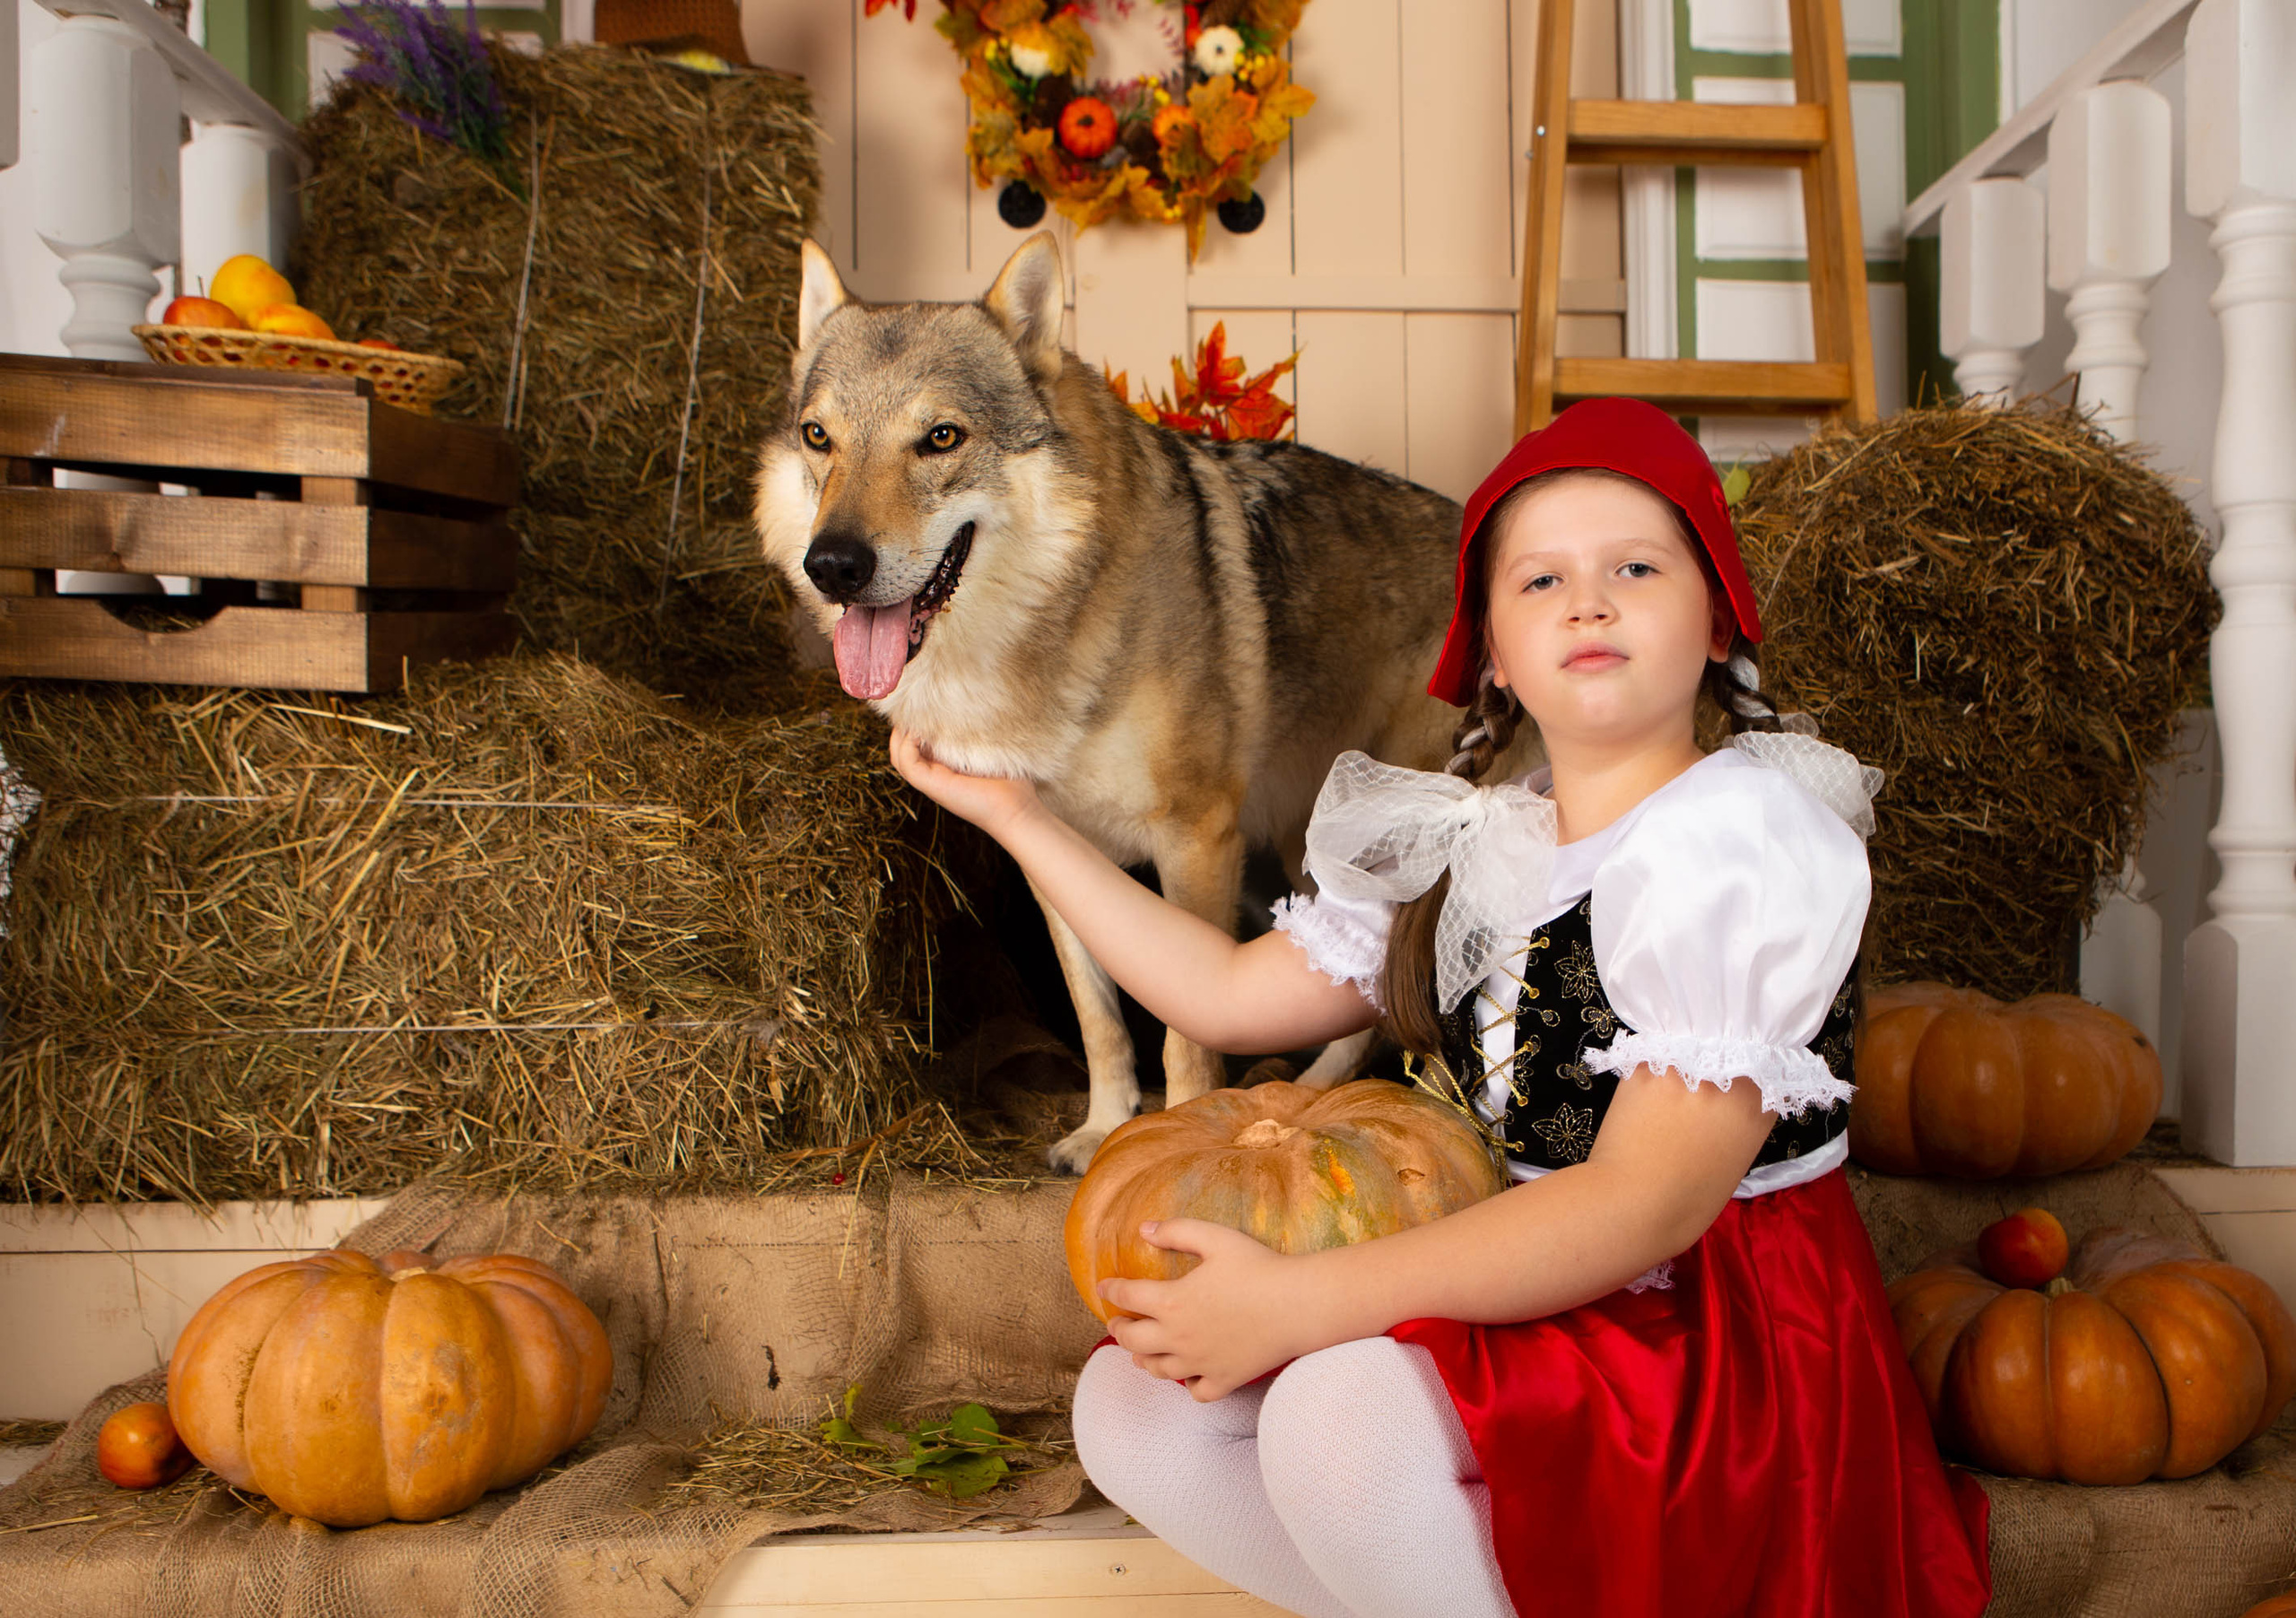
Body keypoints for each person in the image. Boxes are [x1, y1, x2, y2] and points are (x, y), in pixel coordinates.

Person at [889, 397, 1993, 1618]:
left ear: (1718, 619)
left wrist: (1297, 1304)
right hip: (1522, 1273)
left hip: (1707, 1332)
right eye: (1541, 580)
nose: (1589, 600)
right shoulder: (1480, 836)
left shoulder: (1737, 841)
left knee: (1336, 1411)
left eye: (1635, 566)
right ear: (1494, 657)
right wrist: (1014, 815)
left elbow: (1646, 1205)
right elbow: (1223, 990)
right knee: (1135, 1406)